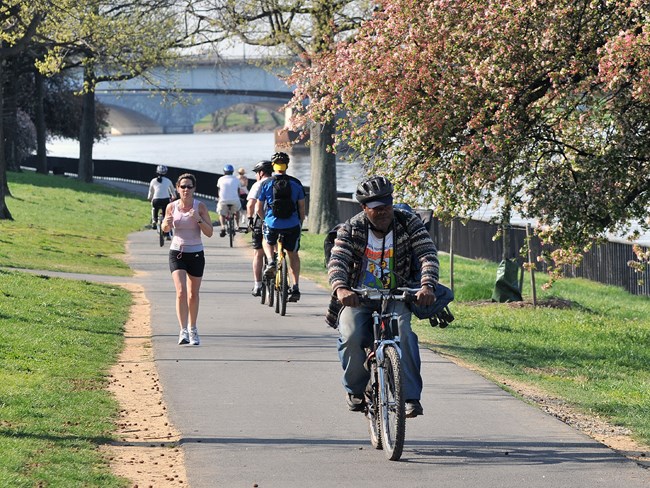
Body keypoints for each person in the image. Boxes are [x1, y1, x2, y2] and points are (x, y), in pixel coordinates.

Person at [327, 176, 439, 418]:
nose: (384, 212)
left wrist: (427, 285)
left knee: (404, 332)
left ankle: (409, 397)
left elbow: (427, 254)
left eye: (387, 205)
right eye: (377, 208)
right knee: (351, 334)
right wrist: (341, 288)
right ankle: (356, 390)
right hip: (358, 297)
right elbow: (338, 261)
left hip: (398, 296)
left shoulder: (408, 222)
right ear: (364, 208)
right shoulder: (352, 228)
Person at [161, 173, 214, 345]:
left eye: (189, 186)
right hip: (177, 252)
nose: (185, 190)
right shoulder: (171, 207)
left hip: (196, 253)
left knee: (193, 294)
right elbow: (164, 228)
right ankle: (183, 330)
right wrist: (166, 224)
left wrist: (198, 219)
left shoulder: (200, 207)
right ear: (177, 188)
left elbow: (209, 232)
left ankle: (193, 328)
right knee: (181, 291)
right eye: (182, 186)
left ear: (194, 189)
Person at [255, 152, 306, 302]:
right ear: (287, 165)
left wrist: (266, 220)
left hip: (272, 223)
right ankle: (295, 286)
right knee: (293, 254)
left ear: (273, 166)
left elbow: (258, 208)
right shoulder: (296, 183)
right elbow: (302, 208)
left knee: (267, 241)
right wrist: (300, 222)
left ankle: (271, 261)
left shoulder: (266, 183)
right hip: (292, 225)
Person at [246, 160, 273, 296]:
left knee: (258, 253)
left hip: (262, 221)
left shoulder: (258, 184)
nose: (256, 175)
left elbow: (251, 205)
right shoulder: (277, 182)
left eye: (257, 173)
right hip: (279, 221)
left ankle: (257, 285)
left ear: (261, 173)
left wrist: (250, 220)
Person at [216, 164, 242, 237]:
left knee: (221, 213)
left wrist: (219, 198)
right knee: (237, 210)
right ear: (232, 172)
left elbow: (219, 190)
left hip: (223, 200)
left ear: (224, 172)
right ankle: (237, 225)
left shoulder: (220, 179)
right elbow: (238, 191)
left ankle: (223, 227)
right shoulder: (236, 179)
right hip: (234, 200)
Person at [147, 165, 175, 231]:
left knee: (154, 208)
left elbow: (151, 192)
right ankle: (167, 233)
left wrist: (150, 198)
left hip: (156, 200)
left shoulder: (153, 181)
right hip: (166, 200)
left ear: (157, 172)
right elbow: (173, 192)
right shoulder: (168, 181)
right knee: (166, 215)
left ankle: (154, 220)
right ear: (166, 172)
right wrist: (173, 197)